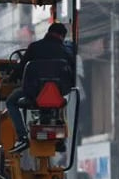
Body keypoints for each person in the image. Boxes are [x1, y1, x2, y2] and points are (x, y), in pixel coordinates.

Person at [7, 22, 72, 153]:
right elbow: (71, 75)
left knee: (11, 102)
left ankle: (22, 137)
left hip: (33, 94)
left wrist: (10, 79)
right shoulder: (66, 52)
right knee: (62, 102)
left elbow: (20, 69)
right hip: (57, 96)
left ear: (48, 32)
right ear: (62, 36)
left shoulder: (34, 47)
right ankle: (61, 140)